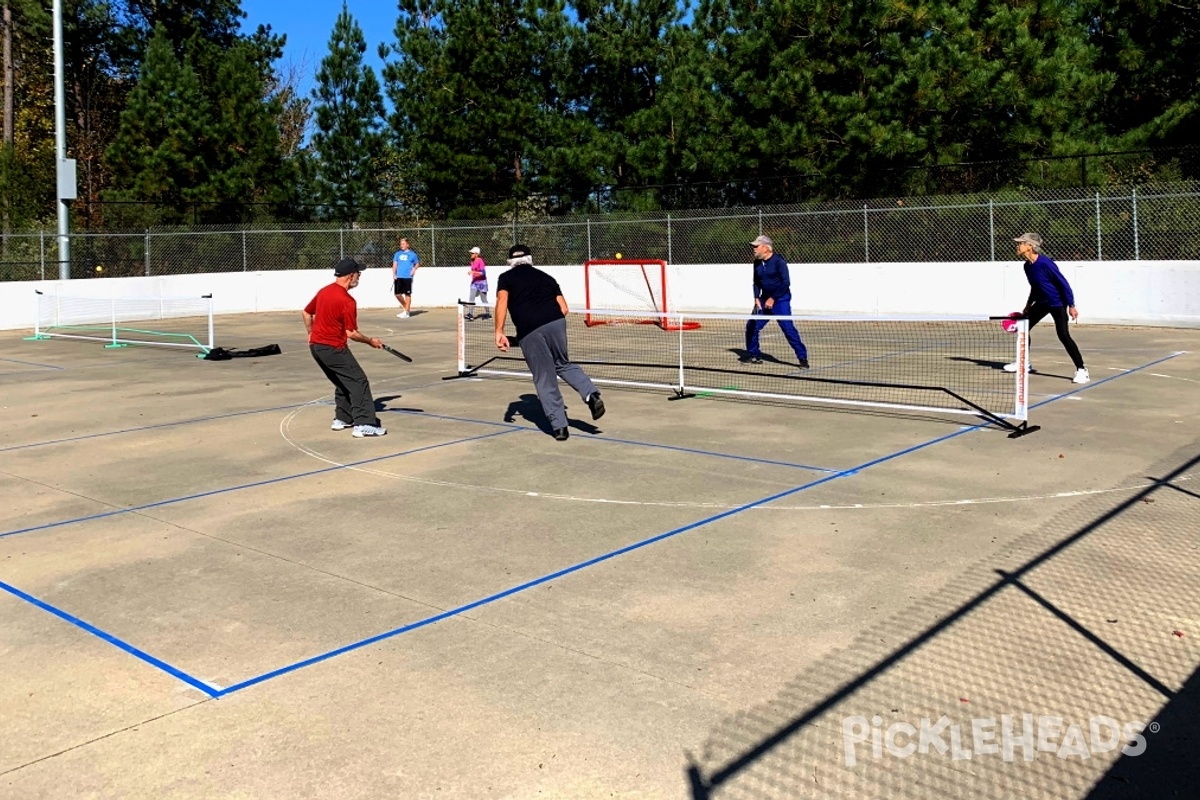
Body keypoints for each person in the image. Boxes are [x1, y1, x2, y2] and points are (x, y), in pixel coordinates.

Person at [494, 243, 605, 441]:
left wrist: (499, 331)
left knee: (544, 377)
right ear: (530, 259)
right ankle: (591, 395)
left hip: (529, 328)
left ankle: (560, 427)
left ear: (510, 261)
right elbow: (564, 308)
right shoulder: (547, 277)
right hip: (556, 321)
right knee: (563, 364)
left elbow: (502, 301)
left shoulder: (506, 278)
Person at [302, 257, 388, 437]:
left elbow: (306, 312)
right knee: (359, 381)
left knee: (342, 381)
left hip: (316, 348)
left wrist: (311, 334)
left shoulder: (324, 291)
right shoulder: (347, 301)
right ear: (351, 275)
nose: (359, 277)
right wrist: (370, 341)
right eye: (358, 273)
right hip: (334, 348)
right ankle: (364, 423)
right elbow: (351, 333)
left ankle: (343, 418)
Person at [1009, 232, 1089, 384]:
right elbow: (1035, 287)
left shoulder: (1045, 263)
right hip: (1041, 302)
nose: (1017, 246)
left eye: (1021, 243)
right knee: (1023, 328)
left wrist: (1071, 305)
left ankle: (1081, 370)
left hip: (1057, 303)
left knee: (1063, 335)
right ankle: (1024, 363)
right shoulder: (1027, 266)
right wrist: (1028, 305)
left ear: (1030, 247)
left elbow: (1063, 284)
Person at [743, 235, 810, 369]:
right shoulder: (756, 263)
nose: (754, 249)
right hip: (763, 300)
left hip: (781, 300)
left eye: (756, 246)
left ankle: (802, 358)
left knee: (788, 329)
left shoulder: (779, 261)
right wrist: (756, 298)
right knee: (751, 326)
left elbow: (786, 282)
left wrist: (773, 298)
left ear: (766, 248)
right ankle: (754, 355)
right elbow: (756, 282)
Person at [392, 237, 421, 318]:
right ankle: (406, 308)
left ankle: (406, 312)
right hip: (398, 277)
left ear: (408, 245)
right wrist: (394, 274)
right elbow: (394, 265)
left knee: (407, 294)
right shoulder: (397, 254)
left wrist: (414, 270)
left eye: (403, 244)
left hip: (407, 277)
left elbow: (417, 264)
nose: (402, 245)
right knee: (397, 294)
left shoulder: (412, 254)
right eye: (401, 244)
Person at [465, 246, 490, 320]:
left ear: (476, 254)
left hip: (482, 283)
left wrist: (473, 272)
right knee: (471, 298)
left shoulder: (480, 261)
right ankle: (470, 314)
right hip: (474, 282)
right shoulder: (472, 261)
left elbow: (483, 273)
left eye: (472, 253)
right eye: (471, 253)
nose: (471, 254)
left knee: (483, 299)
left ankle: (488, 313)